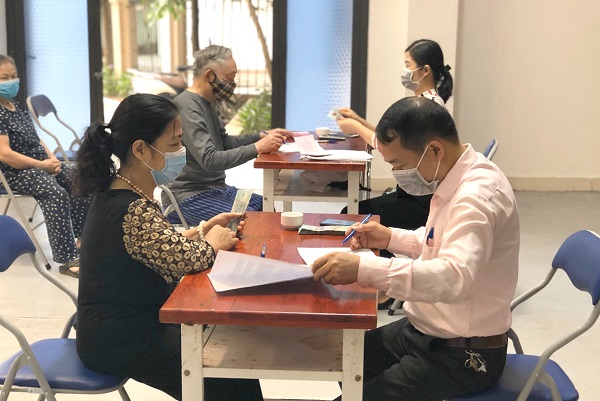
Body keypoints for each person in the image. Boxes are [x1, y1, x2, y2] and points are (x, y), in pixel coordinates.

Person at [312, 97, 519, 401]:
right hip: (427, 330)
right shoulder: (457, 174)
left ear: (434, 150)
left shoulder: (475, 198)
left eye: (400, 165)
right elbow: (438, 240)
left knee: (360, 389)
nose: (398, 174)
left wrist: (364, 269)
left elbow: (453, 276)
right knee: (349, 360)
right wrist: (388, 238)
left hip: (463, 353)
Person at [74, 93, 263, 401]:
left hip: (133, 324)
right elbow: (189, 261)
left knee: (231, 356)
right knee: (229, 378)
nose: (181, 151)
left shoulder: (119, 190)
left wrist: (202, 229)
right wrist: (213, 244)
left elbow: (156, 245)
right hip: (122, 340)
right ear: (140, 149)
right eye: (175, 143)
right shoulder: (132, 208)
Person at [337, 39, 454, 308]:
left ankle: (385, 287)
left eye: (408, 65)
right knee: (359, 214)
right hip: (413, 195)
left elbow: (385, 145)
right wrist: (359, 120)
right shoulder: (423, 102)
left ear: (425, 70)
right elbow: (391, 138)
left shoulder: (428, 107)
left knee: (354, 214)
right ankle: (382, 281)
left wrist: (355, 126)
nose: (405, 71)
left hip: (419, 200)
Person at [163, 45, 292, 226]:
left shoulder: (208, 101)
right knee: (252, 222)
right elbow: (210, 160)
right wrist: (257, 148)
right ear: (209, 75)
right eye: (230, 77)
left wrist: (260, 137)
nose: (233, 83)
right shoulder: (187, 107)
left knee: (267, 208)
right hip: (189, 196)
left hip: (216, 190)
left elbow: (223, 142)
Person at [0, 54, 89, 278]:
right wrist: (42, 165)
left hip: (39, 165)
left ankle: (82, 241)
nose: (11, 82)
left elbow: (35, 139)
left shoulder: (15, 105)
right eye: (4, 78)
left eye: (13, 76)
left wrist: (52, 159)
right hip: (14, 173)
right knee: (55, 193)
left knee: (80, 179)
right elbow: (5, 155)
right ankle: (67, 258)